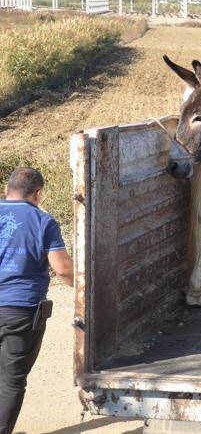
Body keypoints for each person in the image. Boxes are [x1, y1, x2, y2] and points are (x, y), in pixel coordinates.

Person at [0, 167, 73, 433]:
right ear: (38, 193)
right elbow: (63, 270)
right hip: (21, 312)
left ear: (6, 190)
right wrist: (87, 288)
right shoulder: (43, 222)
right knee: (11, 381)